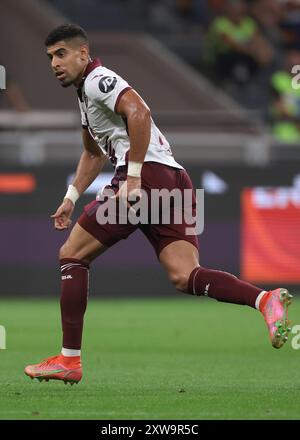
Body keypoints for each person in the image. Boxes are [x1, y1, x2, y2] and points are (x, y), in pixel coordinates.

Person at [24, 24, 292, 385]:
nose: (54, 63)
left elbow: (139, 113)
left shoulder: (97, 80)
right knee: (185, 276)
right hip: (172, 178)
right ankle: (265, 301)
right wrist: (71, 197)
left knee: (72, 255)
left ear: (83, 53)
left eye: (61, 54)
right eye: (50, 57)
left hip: (145, 177)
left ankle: (69, 360)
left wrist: (133, 177)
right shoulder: (86, 97)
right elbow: (92, 154)